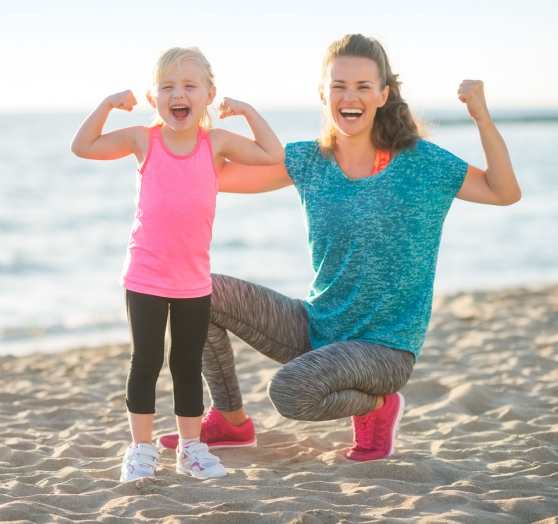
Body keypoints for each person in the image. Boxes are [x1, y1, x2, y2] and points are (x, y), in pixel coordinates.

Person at [157, 34, 520, 461]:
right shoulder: (309, 160)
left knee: (290, 392)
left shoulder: (422, 163)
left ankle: (379, 406)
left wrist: (481, 118)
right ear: (323, 94)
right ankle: (232, 421)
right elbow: (215, 175)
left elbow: (503, 191)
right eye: (339, 86)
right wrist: (194, 112)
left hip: (385, 349)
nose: (350, 97)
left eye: (363, 86)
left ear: (383, 95)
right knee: (195, 289)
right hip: (317, 328)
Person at [70, 47, 285, 480]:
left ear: (209, 95)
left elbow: (272, 153)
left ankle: (191, 448)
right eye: (167, 86)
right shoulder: (141, 139)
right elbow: (82, 147)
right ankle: (141, 450)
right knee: (145, 363)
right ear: (153, 97)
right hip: (145, 276)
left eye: (189, 85)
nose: (178, 94)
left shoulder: (216, 143)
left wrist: (245, 111)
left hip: (193, 281)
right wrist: (108, 104)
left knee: (187, 366)